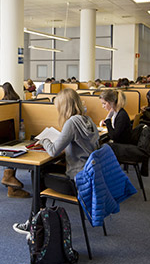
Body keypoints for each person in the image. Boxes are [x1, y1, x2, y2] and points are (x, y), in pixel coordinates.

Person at [13, 89, 99, 234]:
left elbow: (53, 151)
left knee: (37, 174)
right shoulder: (87, 120)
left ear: (65, 107)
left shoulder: (71, 123)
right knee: (42, 171)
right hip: (89, 177)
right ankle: (39, 218)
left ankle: (34, 224)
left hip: (76, 182)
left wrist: (44, 140)